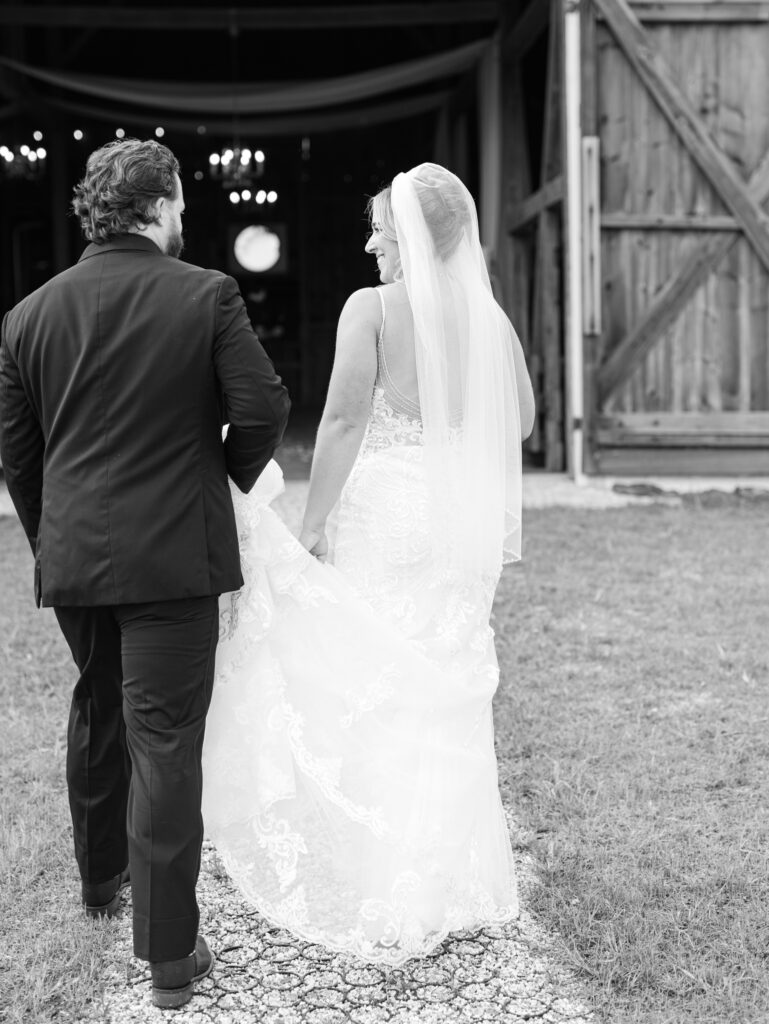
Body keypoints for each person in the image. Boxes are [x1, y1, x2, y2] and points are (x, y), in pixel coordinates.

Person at [203, 163, 535, 967]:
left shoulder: (373, 309)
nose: (370, 242)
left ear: (412, 237)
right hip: (457, 519)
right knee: (443, 679)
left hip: (385, 514)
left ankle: (378, 870)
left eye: (380, 229)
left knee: (374, 677)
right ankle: (449, 880)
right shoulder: (487, 319)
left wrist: (312, 526)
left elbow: (346, 417)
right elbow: (519, 418)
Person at [0, 139, 290, 1009]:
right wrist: (224, 480)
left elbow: (18, 455)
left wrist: (59, 534)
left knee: (97, 698)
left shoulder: (28, 315)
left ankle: (99, 879)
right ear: (161, 205)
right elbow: (264, 406)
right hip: (174, 556)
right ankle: (168, 952)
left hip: (77, 553)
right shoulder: (205, 292)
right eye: (180, 205)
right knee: (164, 738)